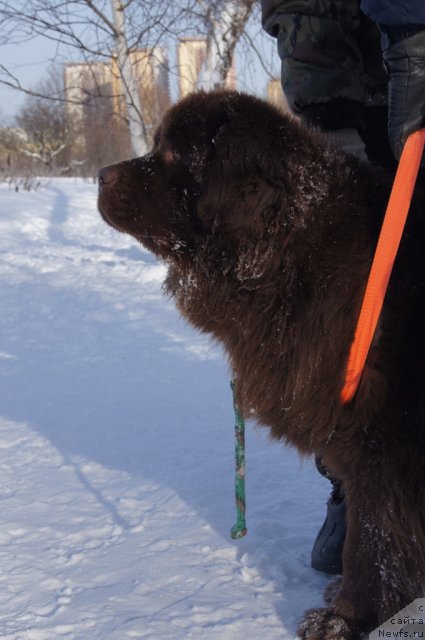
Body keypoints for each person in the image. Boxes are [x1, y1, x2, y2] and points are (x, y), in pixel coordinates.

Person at [260, 0, 425, 575]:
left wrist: (413, 45)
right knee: (334, 295)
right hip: (324, 61)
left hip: (409, 38)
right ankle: (355, 491)